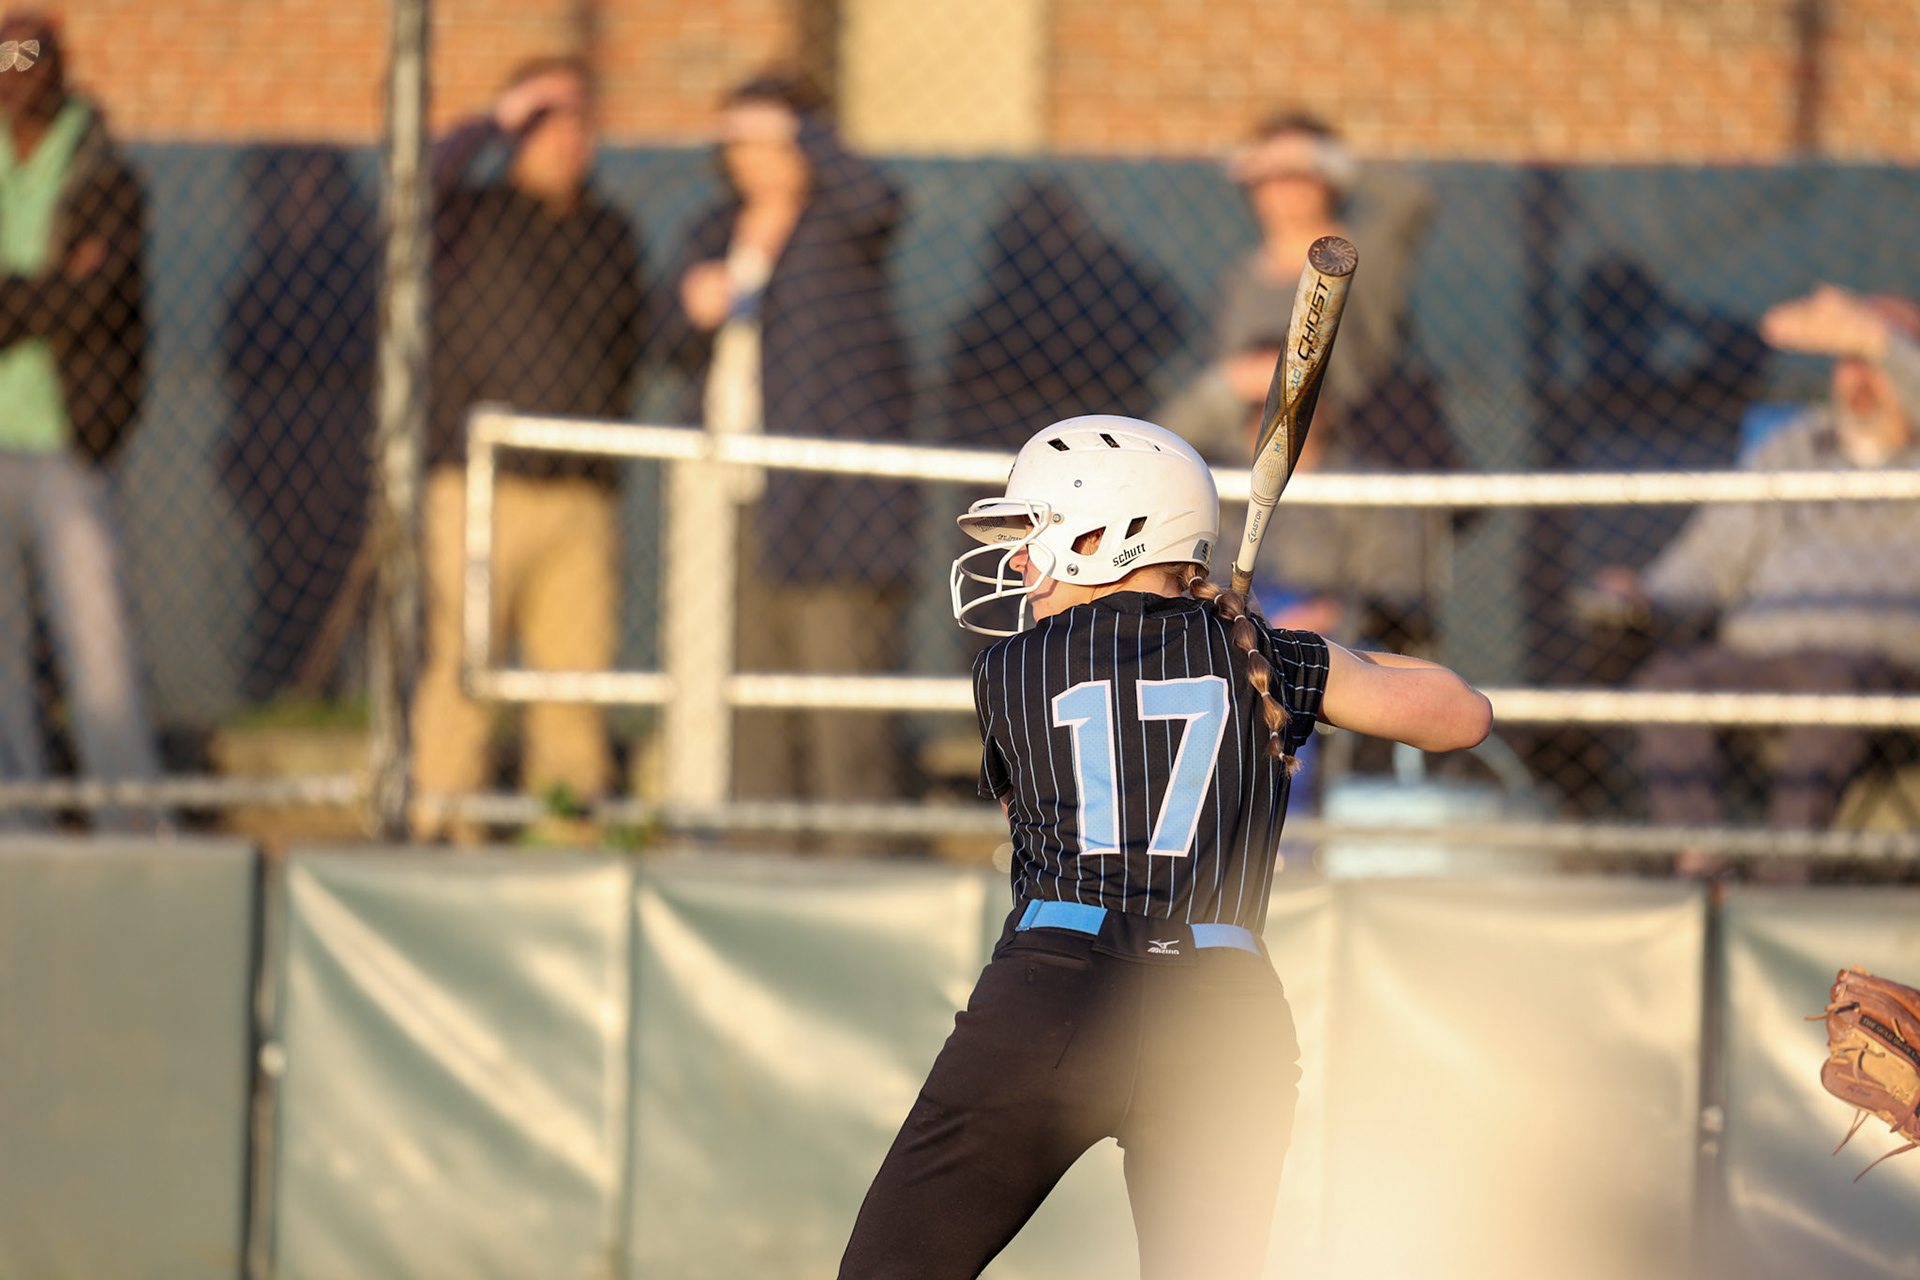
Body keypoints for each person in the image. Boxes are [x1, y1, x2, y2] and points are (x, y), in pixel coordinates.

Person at [841, 415, 1491, 1279]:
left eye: (1034, 535)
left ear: (1105, 535)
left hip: (1055, 995)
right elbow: (1460, 713)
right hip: (1223, 1015)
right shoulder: (1269, 657)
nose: (1022, 564)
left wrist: (1242, 639)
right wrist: (1288, 647)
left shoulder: (1008, 671)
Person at [663, 70, 914, 806]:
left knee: (838, 693)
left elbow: (881, 203)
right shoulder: (712, 229)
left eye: (770, 136)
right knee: (748, 687)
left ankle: (854, 852)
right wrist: (691, 309)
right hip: (729, 488)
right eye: (740, 137)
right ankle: (757, 844)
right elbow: (667, 343)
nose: (754, 153)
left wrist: (802, 130)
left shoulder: (841, 223)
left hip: (832, 498)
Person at [411, 56, 646, 841]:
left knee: (573, 683)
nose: (566, 136)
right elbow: (418, 185)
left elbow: (632, 347)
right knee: (461, 671)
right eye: (545, 120)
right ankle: (444, 828)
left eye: (578, 118)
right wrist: (496, 116)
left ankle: (564, 836)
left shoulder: (610, 234)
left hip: (580, 496)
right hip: (479, 490)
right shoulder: (470, 215)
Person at [1594, 285, 1920, 831]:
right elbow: (1711, 558)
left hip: (1873, 668)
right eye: (1849, 360)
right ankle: (1703, 870)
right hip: (1763, 657)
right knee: (1667, 686)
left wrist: (1874, 337)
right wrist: (1646, 593)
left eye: (1879, 361)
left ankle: (1784, 879)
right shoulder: (1790, 448)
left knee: (1831, 689)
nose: (1860, 375)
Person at [1158, 111, 1438, 645]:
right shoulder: (1240, 279)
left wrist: (1320, 155)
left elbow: (1413, 201)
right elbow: (1198, 418)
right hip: (1250, 484)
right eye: (1271, 172)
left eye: (1299, 171)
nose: (1284, 187)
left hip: (1339, 479)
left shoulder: (1363, 257)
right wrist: (1232, 383)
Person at [0, 12, 163, 831]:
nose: (15, 86)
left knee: (100, 655)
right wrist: (50, 293)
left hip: (71, 442)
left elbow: (96, 300)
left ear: (57, 74)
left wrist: (19, 297)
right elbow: (65, 296)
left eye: (28, 70)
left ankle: (132, 829)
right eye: (5, 71)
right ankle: (14, 828)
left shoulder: (104, 174)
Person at [220, 146, 377, 702]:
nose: (301, 197)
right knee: (288, 614)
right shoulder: (261, 285)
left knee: (380, 609)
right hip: (284, 487)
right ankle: (291, 703)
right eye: (290, 184)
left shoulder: (363, 274)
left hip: (357, 472)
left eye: (316, 184)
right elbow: (242, 374)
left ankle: (385, 724)